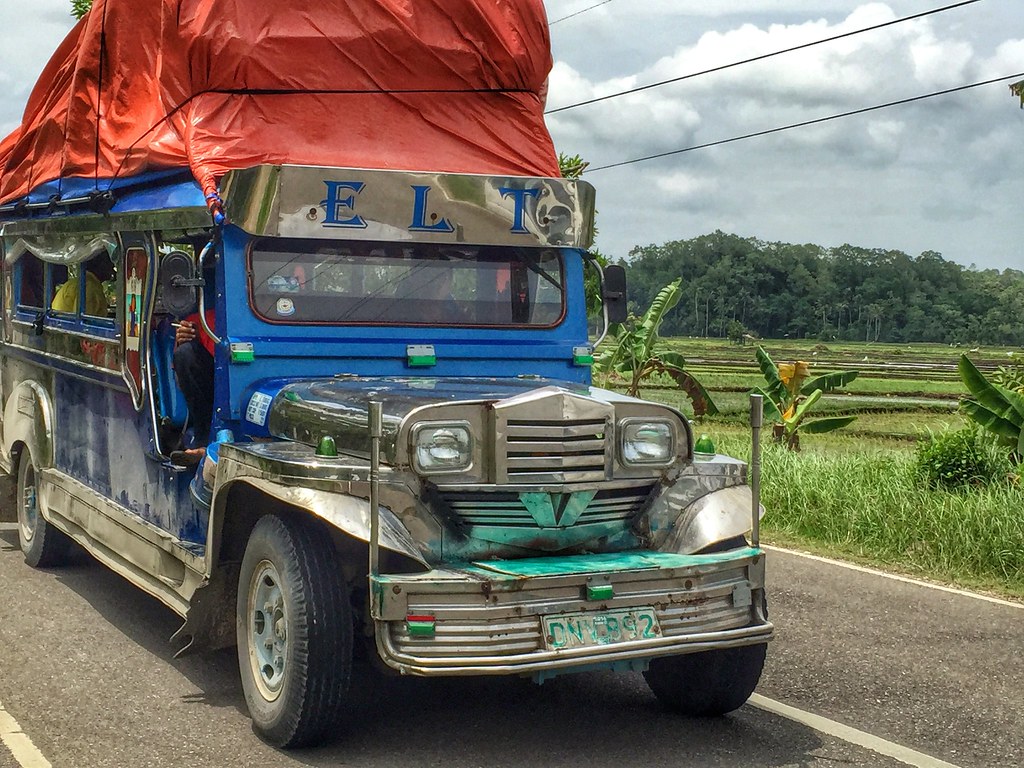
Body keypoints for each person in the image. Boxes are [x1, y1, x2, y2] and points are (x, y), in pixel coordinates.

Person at [171, 307, 216, 465]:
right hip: (212, 395)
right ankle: (203, 442)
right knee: (185, 353)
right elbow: (181, 378)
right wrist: (191, 341)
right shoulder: (197, 322)